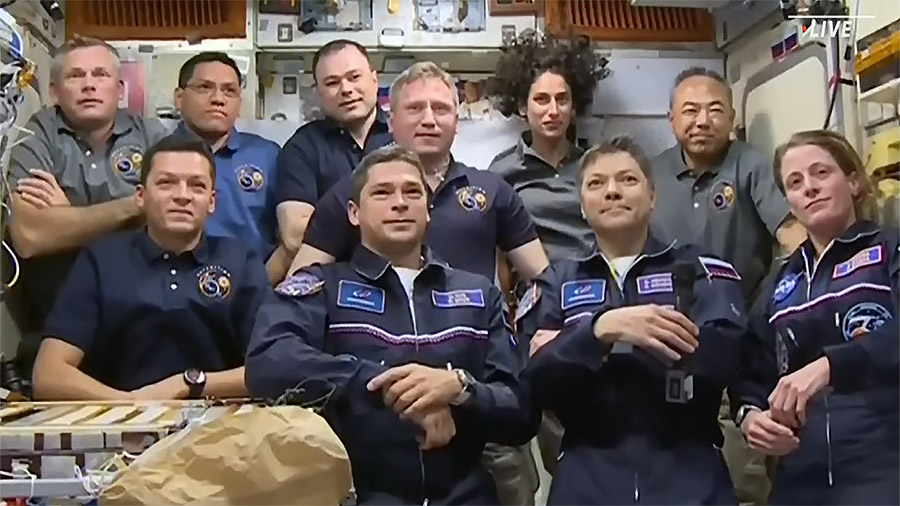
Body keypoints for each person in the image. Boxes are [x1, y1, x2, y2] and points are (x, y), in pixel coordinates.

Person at [245, 146, 539, 505]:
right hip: (359, 494)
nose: (399, 203)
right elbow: (267, 361)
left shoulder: (478, 294)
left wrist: (460, 389)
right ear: (354, 213)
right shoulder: (322, 288)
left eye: (412, 192)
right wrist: (391, 386)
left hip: (465, 494)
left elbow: (521, 413)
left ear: (428, 211)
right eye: (382, 193)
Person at [520, 137, 747, 504]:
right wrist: (600, 330)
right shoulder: (555, 282)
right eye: (596, 183)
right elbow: (533, 384)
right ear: (582, 205)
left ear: (652, 196)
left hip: (689, 473)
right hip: (586, 478)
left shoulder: (700, 268)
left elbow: (723, 357)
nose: (612, 191)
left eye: (627, 180)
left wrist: (579, 347)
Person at [650, 67, 807, 504]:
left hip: (742, 342)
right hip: (671, 343)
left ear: (733, 116)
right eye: (690, 111)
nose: (702, 121)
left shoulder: (751, 164)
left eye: (714, 110)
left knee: (745, 475)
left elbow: (791, 233)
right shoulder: (651, 174)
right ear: (671, 120)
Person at [31, 136, 269, 400]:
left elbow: (276, 367)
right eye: (166, 183)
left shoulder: (240, 260)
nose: (182, 196)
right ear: (141, 196)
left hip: (221, 426)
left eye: (197, 186)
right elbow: (49, 375)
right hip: (118, 424)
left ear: (212, 202)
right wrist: (131, 405)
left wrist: (189, 383)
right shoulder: (102, 259)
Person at [734, 130, 898, 505]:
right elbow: (750, 370)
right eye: (795, 182)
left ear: (854, 182)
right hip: (801, 477)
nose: (809, 187)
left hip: (885, 464)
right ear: (789, 201)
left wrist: (830, 365)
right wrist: (750, 417)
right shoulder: (780, 282)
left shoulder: (890, 249)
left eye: (821, 173)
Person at [290, 61, 548, 286]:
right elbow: (297, 287)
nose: (428, 120)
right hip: (375, 335)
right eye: (414, 108)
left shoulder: (493, 191)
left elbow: (542, 280)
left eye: (440, 109)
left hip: (472, 332)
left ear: (456, 122)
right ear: (391, 121)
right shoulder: (354, 193)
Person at [5, 36, 168, 383]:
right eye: (76, 76)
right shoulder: (33, 136)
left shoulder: (153, 135)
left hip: (143, 318)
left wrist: (68, 216)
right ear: (54, 92)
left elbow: (174, 227)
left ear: (119, 88)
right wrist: (133, 206)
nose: (89, 84)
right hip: (54, 323)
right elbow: (31, 237)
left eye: (100, 74)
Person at [486, 33, 609, 484]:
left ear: (575, 106)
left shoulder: (597, 165)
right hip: (536, 311)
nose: (552, 110)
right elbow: (498, 255)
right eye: (541, 99)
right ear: (522, 106)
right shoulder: (502, 172)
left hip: (598, 304)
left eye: (562, 99)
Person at [273, 40, 392, 279]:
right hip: (329, 285)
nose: (346, 89)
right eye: (332, 82)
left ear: (374, 80)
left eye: (354, 77)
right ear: (318, 93)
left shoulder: (403, 136)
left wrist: (328, 228)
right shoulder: (303, 146)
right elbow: (296, 235)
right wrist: (388, 230)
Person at [172, 52, 281, 280]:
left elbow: (289, 238)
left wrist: (260, 289)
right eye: (204, 87)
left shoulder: (268, 156)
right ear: (179, 98)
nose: (218, 99)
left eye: (229, 91)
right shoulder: (158, 156)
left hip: (250, 289)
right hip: (170, 292)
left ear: (239, 102)